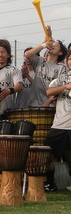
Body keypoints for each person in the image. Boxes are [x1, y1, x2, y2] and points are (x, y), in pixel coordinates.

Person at [43, 49, 71, 191]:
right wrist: (65, 86)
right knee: (48, 154)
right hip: (59, 124)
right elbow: (49, 91)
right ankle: (49, 183)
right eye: (70, 59)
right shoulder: (62, 77)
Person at [24, 27, 67, 107]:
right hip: (33, 105)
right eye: (51, 44)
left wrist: (48, 102)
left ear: (60, 53)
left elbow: (60, 88)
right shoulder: (40, 61)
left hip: (50, 107)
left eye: (55, 45)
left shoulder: (61, 68)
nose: (52, 45)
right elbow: (27, 54)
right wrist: (45, 43)